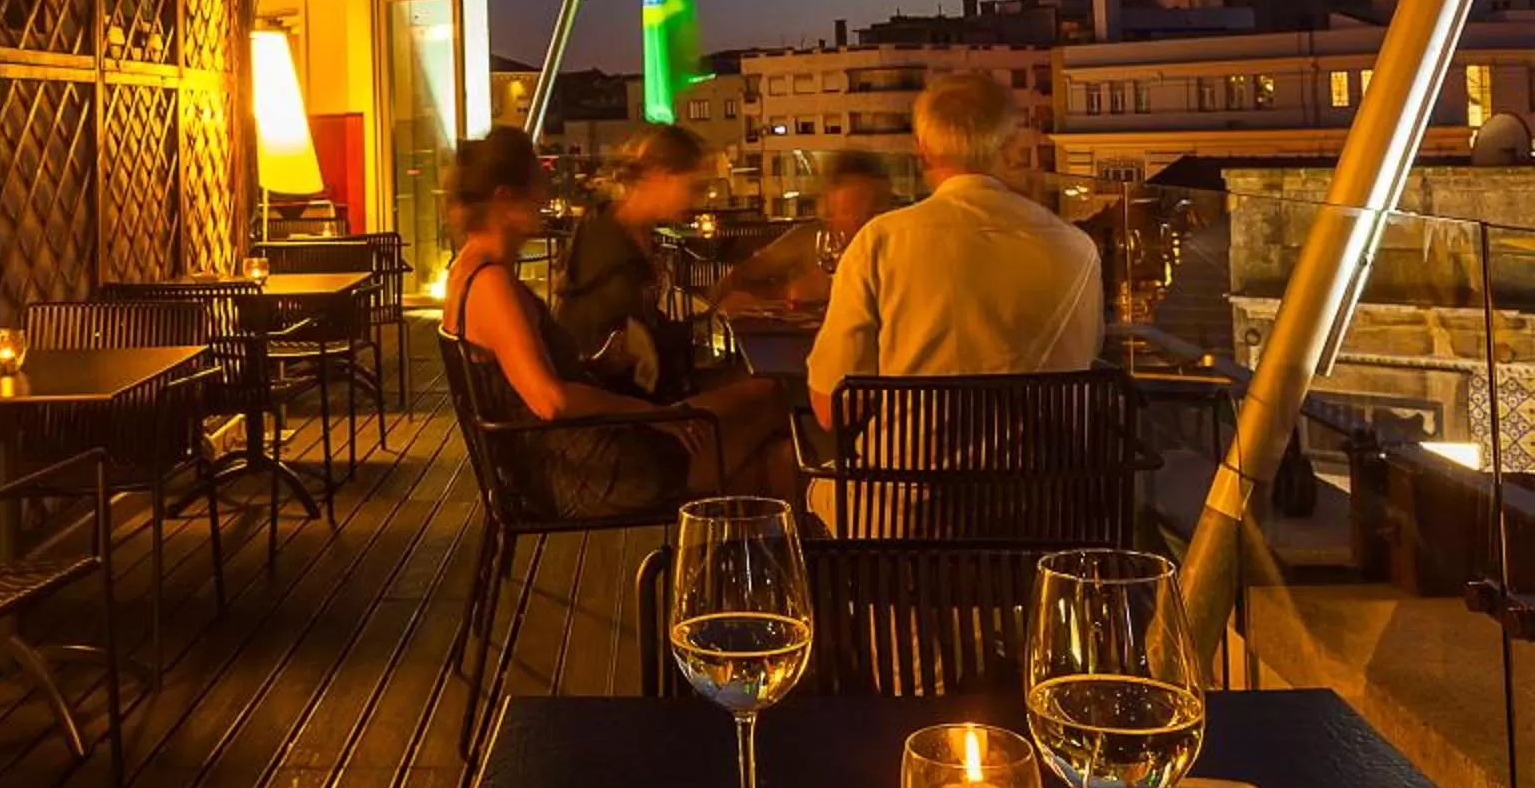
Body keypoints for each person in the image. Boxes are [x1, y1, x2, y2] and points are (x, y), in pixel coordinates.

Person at [443, 127, 792, 506]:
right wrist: (648, 412)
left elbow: (533, 379)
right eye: (537, 187)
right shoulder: (492, 285)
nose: (546, 199)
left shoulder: (470, 272)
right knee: (773, 401)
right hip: (585, 466)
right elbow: (550, 400)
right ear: (505, 199)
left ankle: (721, 554)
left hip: (568, 453)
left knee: (773, 454)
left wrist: (597, 363)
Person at [808, 73, 1102, 422]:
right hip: (1054, 473)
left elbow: (833, 409)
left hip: (908, 473)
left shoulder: (879, 242)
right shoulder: (1079, 249)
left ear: (923, 151)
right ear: (1010, 148)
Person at [554, 122, 713, 387]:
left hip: (604, 393)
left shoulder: (609, 222)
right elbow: (629, 355)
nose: (699, 199)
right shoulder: (616, 256)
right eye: (693, 187)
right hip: (612, 407)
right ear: (661, 176)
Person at [713, 149, 896, 317]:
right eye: (850, 209)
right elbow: (735, 279)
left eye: (875, 208)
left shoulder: (898, 247)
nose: (862, 220)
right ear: (829, 209)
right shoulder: (811, 241)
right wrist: (782, 294)